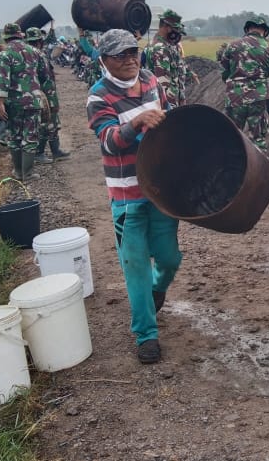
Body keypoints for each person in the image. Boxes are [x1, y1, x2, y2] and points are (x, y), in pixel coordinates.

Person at [86, 29, 182, 364]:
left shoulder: (152, 82)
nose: (129, 59)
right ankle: (146, 334)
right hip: (127, 195)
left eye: (133, 52)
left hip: (159, 192)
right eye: (120, 55)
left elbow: (170, 120)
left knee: (170, 259)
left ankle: (158, 289)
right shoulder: (99, 96)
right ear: (104, 60)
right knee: (135, 266)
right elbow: (109, 141)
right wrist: (137, 122)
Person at [216, 16, 269, 152]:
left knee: (231, 137)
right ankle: (261, 171)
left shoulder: (232, 46)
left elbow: (224, 72)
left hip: (235, 99)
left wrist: (234, 86)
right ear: (264, 31)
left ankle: (232, 170)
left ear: (247, 29)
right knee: (258, 139)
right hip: (258, 100)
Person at [0, 22, 48, 181]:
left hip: (13, 103)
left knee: (14, 136)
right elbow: (44, 74)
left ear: (6, 37)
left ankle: (18, 172)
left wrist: (0, 103)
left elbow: (2, 80)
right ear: (20, 35)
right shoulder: (35, 51)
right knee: (30, 136)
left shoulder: (5, 54)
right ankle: (29, 173)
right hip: (33, 100)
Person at [25, 26, 71, 164]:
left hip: (43, 94)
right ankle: (39, 153)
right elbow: (43, 77)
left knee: (52, 123)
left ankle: (56, 151)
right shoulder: (37, 55)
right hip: (44, 95)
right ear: (39, 41)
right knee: (45, 123)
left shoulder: (29, 55)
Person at [143, 9, 198, 108]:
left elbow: (178, 62)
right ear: (166, 27)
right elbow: (164, 85)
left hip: (177, 97)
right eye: (175, 30)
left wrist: (190, 73)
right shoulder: (159, 49)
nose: (177, 34)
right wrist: (172, 109)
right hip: (168, 104)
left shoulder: (170, 45)